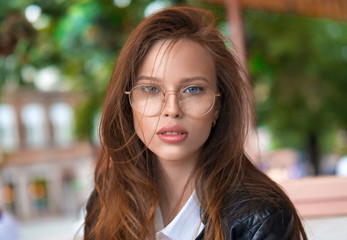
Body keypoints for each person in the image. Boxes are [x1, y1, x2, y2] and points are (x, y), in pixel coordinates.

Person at [84, 6, 307, 240]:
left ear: (219, 106)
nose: (172, 110)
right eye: (151, 89)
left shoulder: (262, 217)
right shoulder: (106, 199)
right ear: (127, 104)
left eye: (193, 90)